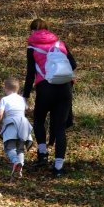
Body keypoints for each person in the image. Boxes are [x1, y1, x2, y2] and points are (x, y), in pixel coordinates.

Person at [22, 19, 77, 177]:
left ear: (33, 31)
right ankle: (58, 167)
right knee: (59, 128)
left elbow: (30, 74)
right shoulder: (60, 44)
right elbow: (73, 64)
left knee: (39, 119)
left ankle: (43, 153)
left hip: (45, 88)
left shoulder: (32, 46)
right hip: (64, 88)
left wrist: (25, 96)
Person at [0, 76, 33, 180]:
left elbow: (0, 114)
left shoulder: (5, 99)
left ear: (6, 88)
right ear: (17, 89)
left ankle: (16, 162)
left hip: (11, 124)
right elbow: (27, 110)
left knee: (9, 147)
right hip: (23, 124)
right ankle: (19, 170)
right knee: (20, 148)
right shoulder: (22, 99)